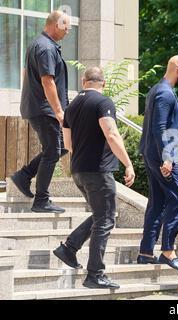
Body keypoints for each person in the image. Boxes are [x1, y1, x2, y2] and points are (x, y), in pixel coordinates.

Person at [52, 67, 135, 289]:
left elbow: (68, 145)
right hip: (97, 171)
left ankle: (69, 247)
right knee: (106, 219)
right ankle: (94, 274)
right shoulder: (103, 103)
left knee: (101, 215)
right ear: (103, 83)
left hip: (78, 170)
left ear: (84, 81)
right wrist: (128, 163)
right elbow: (111, 133)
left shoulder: (71, 107)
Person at [138, 55, 178, 271]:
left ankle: (146, 252)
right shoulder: (165, 93)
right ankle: (168, 251)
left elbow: (165, 128)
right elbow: (160, 128)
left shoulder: (156, 89)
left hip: (153, 154)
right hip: (161, 157)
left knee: (157, 201)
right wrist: (167, 157)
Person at [10, 11, 71, 213]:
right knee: (54, 150)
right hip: (45, 109)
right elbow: (47, 81)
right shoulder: (45, 47)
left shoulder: (41, 44)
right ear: (55, 25)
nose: (68, 31)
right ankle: (41, 201)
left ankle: (24, 175)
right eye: (66, 27)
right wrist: (59, 111)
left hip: (40, 107)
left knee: (61, 147)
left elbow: (27, 74)